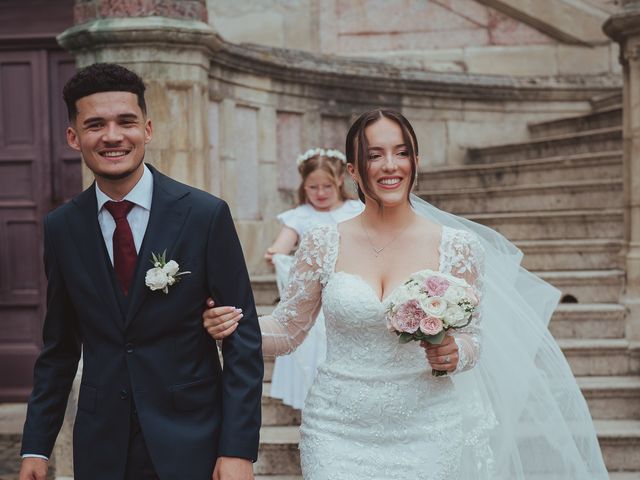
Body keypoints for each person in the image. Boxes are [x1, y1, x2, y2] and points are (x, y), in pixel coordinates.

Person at [203, 109, 608, 479]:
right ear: (353, 171)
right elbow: (289, 331)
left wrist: (454, 353)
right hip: (337, 427)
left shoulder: (457, 245)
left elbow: (474, 339)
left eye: (401, 153)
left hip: (428, 427)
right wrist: (232, 325)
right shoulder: (323, 242)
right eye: (375, 155)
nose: (390, 165)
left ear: (416, 162)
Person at [19, 63, 262, 480]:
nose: (112, 136)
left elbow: (243, 341)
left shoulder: (205, 216)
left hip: (192, 438)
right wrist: (36, 447)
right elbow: (59, 347)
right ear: (74, 137)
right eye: (95, 125)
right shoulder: (61, 227)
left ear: (147, 129)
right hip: (102, 446)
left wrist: (238, 448)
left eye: (125, 122)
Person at [265, 147, 362, 410]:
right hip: (313, 295)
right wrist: (275, 254)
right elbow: (281, 246)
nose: (320, 193)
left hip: (346, 290)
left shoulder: (356, 210)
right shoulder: (300, 216)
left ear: (340, 180)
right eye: (313, 187)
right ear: (303, 186)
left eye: (326, 186)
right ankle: (315, 404)